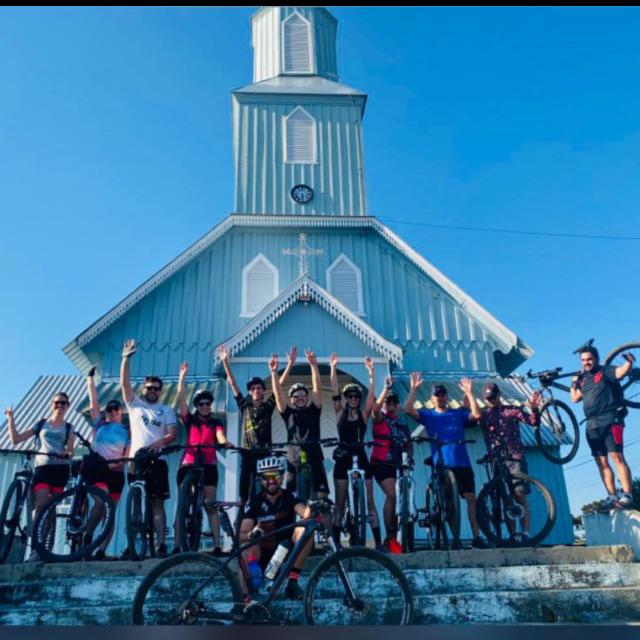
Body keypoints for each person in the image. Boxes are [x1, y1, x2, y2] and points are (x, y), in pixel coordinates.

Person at [404, 374, 487, 549]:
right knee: (449, 505)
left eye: (443, 395)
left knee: (471, 499)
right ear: (432, 399)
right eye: (437, 395)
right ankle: (454, 539)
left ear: (446, 397)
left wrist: (470, 393)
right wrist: (413, 389)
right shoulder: (429, 415)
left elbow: (477, 414)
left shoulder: (458, 414)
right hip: (442, 465)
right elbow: (408, 409)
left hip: (463, 464)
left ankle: (476, 538)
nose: (440, 398)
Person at [120, 339, 177, 558]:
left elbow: (173, 433)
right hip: (136, 460)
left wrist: (160, 442)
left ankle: (162, 544)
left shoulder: (166, 410)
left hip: (158, 460)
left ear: (160, 391)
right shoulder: (135, 405)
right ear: (143, 389)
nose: (153, 391)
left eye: (156, 389)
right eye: (149, 388)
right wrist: (126, 358)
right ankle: (131, 546)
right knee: (135, 505)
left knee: (156, 504)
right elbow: (124, 385)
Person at [219, 344, 296, 504]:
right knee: (243, 497)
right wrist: (225, 362)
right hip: (247, 454)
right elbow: (233, 384)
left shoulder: (268, 406)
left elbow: (279, 387)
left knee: (265, 495)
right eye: (253, 388)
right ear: (250, 391)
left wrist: (289, 364)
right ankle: (240, 523)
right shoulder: (244, 406)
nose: (256, 390)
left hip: (264, 455)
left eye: (259, 388)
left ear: (263, 391)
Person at [5, 392, 74, 561]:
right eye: (57, 402)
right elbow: (16, 439)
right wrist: (10, 419)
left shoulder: (69, 427)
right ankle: (36, 545)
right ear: (52, 404)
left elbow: (71, 451)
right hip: (42, 468)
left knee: (51, 509)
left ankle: (41, 550)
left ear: (68, 406)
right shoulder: (42, 424)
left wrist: (64, 453)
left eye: (63, 403)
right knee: (42, 504)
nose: (60, 405)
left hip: (60, 470)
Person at [173, 361, 233, 555]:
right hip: (189, 462)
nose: (205, 406)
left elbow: (220, 436)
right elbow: (181, 401)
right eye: (201, 404)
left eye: (208, 403)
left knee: (210, 504)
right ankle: (176, 546)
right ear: (197, 406)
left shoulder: (215, 422)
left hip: (208, 464)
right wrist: (182, 377)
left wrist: (225, 442)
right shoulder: (190, 420)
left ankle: (217, 545)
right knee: (182, 505)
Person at [570, 344, 636, 510]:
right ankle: (612, 495)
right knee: (601, 462)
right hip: (592, 424)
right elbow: (575, 399)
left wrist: (629, 362)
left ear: (596, 359)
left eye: (589, 359)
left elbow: (621, 372)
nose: (586, 362)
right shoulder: (584, 379)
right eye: (583, 360)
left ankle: (627, 494)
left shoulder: (605, 371)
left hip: (610, 419)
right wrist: (573, 383)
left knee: (617, 457)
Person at [329, 353, 383, 550]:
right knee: (340, 504)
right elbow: (334, 391)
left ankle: (378, 542)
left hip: (360, 456)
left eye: (355, 396)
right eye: (349, 396)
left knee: (369, 503)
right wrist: (333, 368)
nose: (352, 399)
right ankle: (336, 541)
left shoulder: (363, 414)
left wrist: (371, 374)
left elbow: (371, 398)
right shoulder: (339, 412)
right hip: (343, 457)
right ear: (346, 399)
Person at [239, 457, 312, 601]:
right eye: (266, 477)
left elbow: (305, 514)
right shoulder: (255, 502)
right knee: (246, 548)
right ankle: (246, 599)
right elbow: (241, 535)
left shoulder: (289, 496)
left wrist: (313, 505)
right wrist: (251, 534)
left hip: (286, 556)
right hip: (261, 560)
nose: (271, 481)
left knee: (306, 530)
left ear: (283, 476)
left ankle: (292, 582)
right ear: (261, 479)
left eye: (276, 476)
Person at [477, 382, 541, 543]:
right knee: (506, 500)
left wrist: (534, 407)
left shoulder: (511, 410)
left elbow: (533, 422)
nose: (490, 400)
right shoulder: (484, 415)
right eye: (487, 398)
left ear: (499, 395)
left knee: (519, 495)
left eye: (493, 397)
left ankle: (525, 534)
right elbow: (469, 415)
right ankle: (513, 536)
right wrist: (467, 394)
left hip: (515, 458)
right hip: (497, 461)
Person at [84, 365, 130, 560]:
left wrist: (121, 464)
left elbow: (127, 453)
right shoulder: (100, 424)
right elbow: (94, 403)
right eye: (109, 409)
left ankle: (102, 550)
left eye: (116, 408)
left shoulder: (127, 430)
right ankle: (88, 535)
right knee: (101, 502)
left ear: (121, 411)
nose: (112, 411)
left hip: (116, 472)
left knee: (111, 512)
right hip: (98, 469)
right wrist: (90, 379)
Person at [270, 349, 329, 499]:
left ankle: (322, 522)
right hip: (293, 460)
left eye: (303, 395)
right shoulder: (287, 412)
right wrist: (273, 373)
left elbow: (317, 388)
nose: (300, 398)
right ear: (291, 399)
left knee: (322, 499)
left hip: (315, 456)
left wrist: (314, 365)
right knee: (290, 499)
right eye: (296, 396)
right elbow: (277, 393)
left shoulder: (314, 410)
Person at [369, 377, 412, 554]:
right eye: (389, 402)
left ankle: (395, 538)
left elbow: (409, 444)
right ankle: (390, 535)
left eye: (395, 401)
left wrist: (409, 459)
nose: (392, 404)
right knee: (392, 495)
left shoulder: (402, 423)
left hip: (399, 465)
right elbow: (375, 409)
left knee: (401, 501)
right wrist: (385, 390)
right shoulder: (380, 418)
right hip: (381, 464)